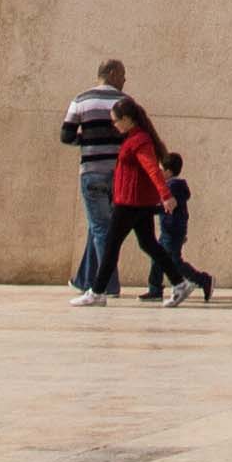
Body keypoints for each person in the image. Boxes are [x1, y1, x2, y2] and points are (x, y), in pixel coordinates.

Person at [59, 61, 135, 302]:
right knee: (101, 227)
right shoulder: (124, 102)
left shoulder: (81, 100)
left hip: (92, 171)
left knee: (100, 226)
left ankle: (101, 284)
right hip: (118, 174)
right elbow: (134, 136)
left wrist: (89, 142)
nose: (125, 79)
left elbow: (66, 135)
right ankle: (94, 280)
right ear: (111, 73)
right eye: (122, 74)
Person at [109, 108, 190, 307]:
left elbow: (153, 170)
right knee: (148, 244)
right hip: (135, 201)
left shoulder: (139, 140)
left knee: (111, 243)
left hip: (131, 202)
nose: (114, 125)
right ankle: (180, 283)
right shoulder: (135, 138)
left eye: (116, 120)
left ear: (127, 118)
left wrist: (165, 194)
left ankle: (97, 291)